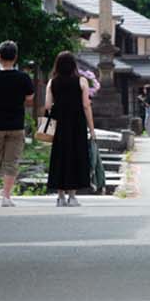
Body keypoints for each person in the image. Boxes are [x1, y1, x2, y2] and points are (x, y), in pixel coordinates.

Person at [0, 40, 36, 208]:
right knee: (12, 162)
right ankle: (6, 196)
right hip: (16, 125)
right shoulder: (23, 78)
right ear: (16, 57)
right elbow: (30, 97)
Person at [45, 50, 95, 206]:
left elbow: (47, 105)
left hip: (59, 124)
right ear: (74, 65)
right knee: (76, 155)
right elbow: (86, 106)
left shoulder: (52, 82)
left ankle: (60, 197)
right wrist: (92, 129)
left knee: (60, 157)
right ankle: (72, 196)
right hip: (77, 124)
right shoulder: (82, 81)